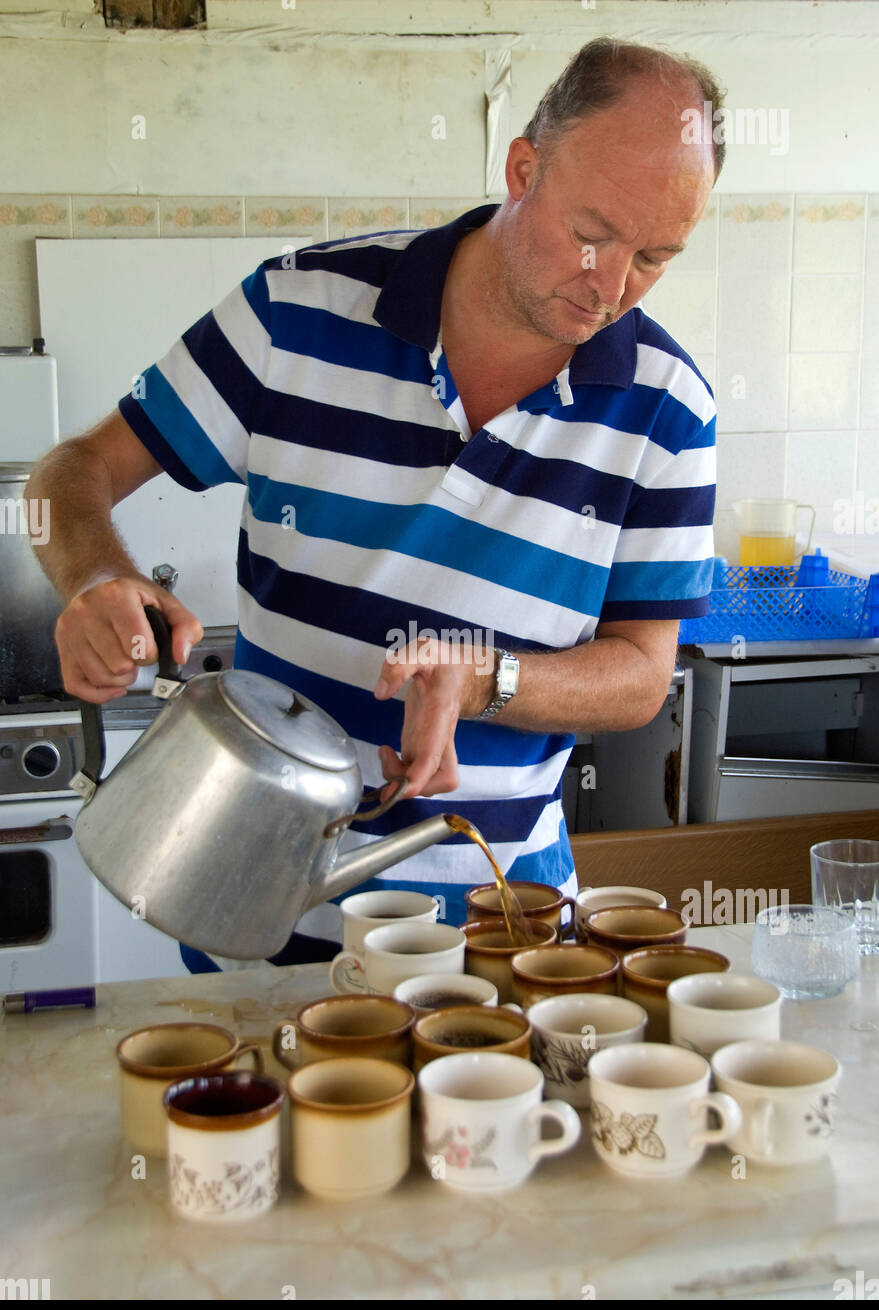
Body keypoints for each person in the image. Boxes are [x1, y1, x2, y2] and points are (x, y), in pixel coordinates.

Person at [27, 37, 723, 968]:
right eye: (591, 233)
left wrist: (486, 680)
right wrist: (94, 580)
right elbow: (70, 473)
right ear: (523, 167)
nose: (609, 286)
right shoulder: (297, 311)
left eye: (654, 257)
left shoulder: (668, 409)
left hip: (500, 934)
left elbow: (641, 675)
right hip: (256, 917)